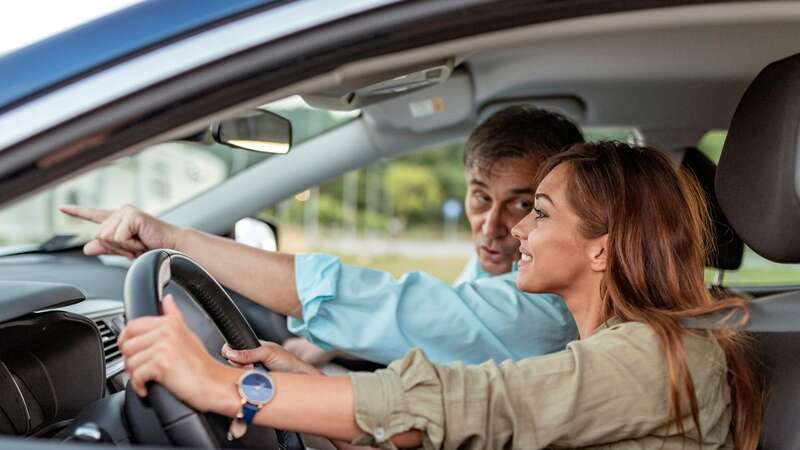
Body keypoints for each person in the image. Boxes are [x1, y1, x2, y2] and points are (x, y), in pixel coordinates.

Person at [117, 141, 762, 449]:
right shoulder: (644, 348)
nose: (513, 230)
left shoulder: (655, 356)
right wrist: (301, 384)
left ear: (601, 247)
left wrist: (226, 389)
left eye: (537, 212)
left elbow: (477, 404)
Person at [60, 106, 584, 365]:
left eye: (522, 204)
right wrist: (330, 349)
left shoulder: (542, 309)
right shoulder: (508, 268)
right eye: (478, 197)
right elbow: (441, 328)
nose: (492, 227)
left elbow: (392, 304)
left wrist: (171, 235)